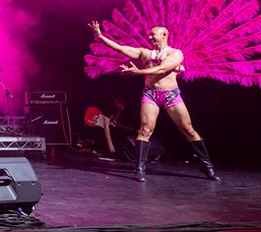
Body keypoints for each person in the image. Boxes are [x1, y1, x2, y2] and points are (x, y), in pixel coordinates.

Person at [89, 21, 220, 182]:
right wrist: (101, 36)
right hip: (150, 94)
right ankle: (139, 169)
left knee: (188, 130)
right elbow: (120, 48)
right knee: (145, 130)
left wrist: (138, 72)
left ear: (164, 35)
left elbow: (162, 69)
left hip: (171, 95)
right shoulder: (145, 53)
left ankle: (207, 166)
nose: (149, 36)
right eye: (149, 34)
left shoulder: (176, 54)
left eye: (153, 34)